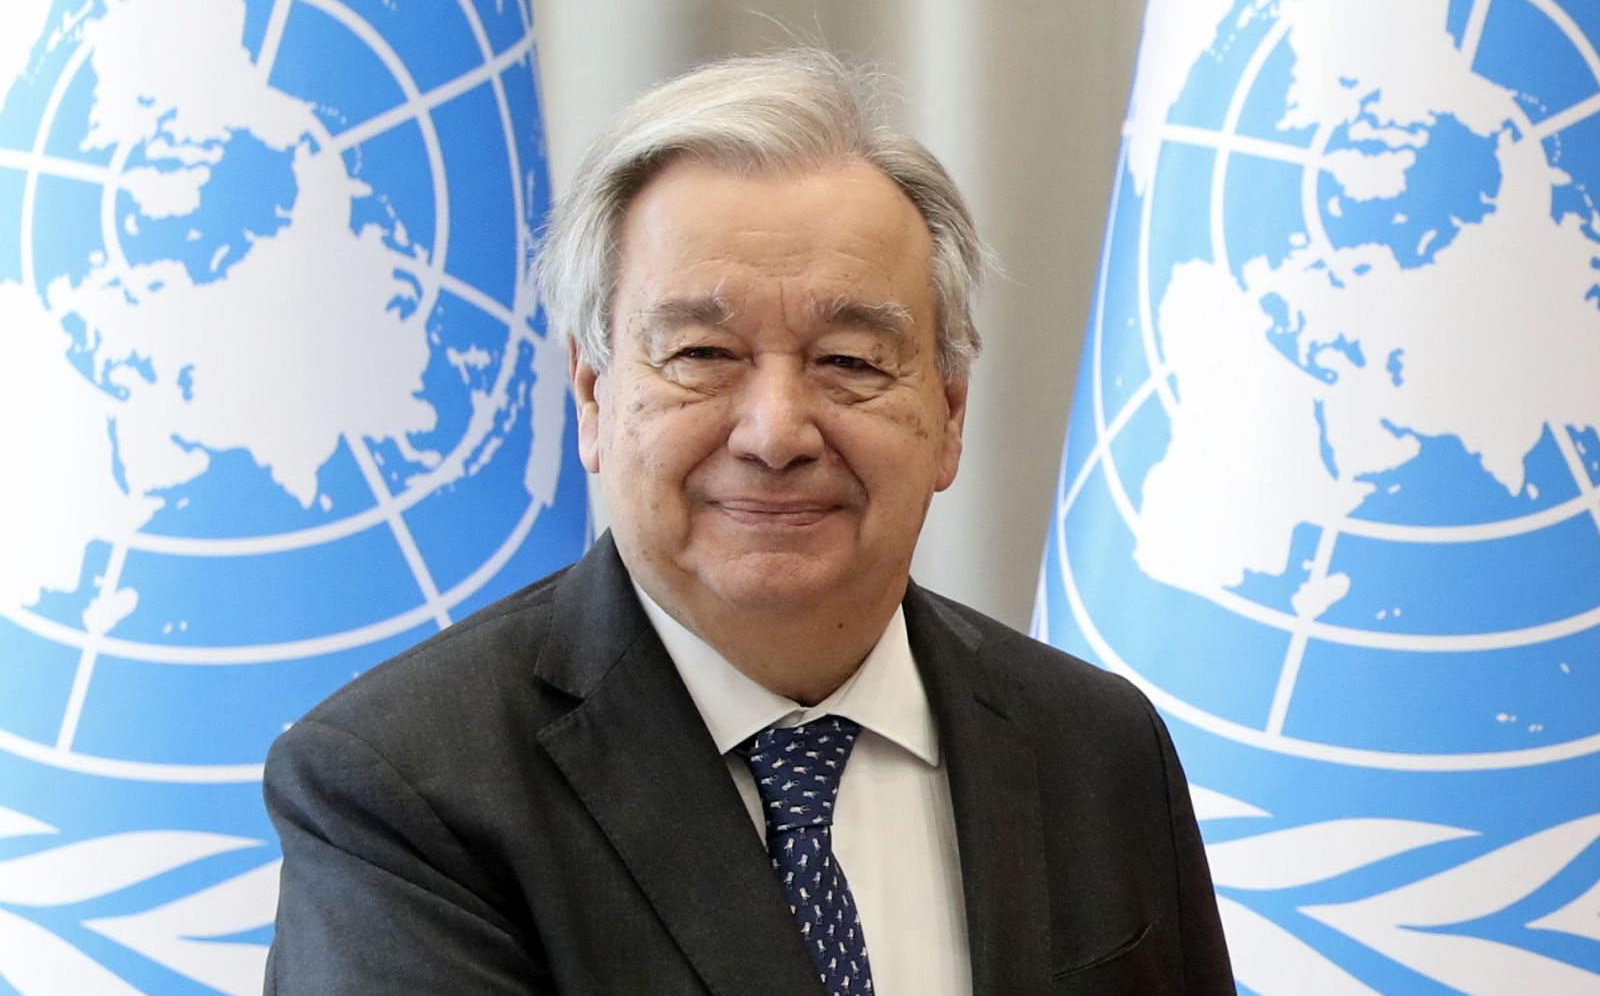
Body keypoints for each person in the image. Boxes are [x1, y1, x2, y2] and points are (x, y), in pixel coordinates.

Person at [263, 48, 1233, 995]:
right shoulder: (403, 783)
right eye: (701, 353)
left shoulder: (1097, 747)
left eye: (850, 359)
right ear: (594, 397)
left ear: (949, 413)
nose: (775, 431)